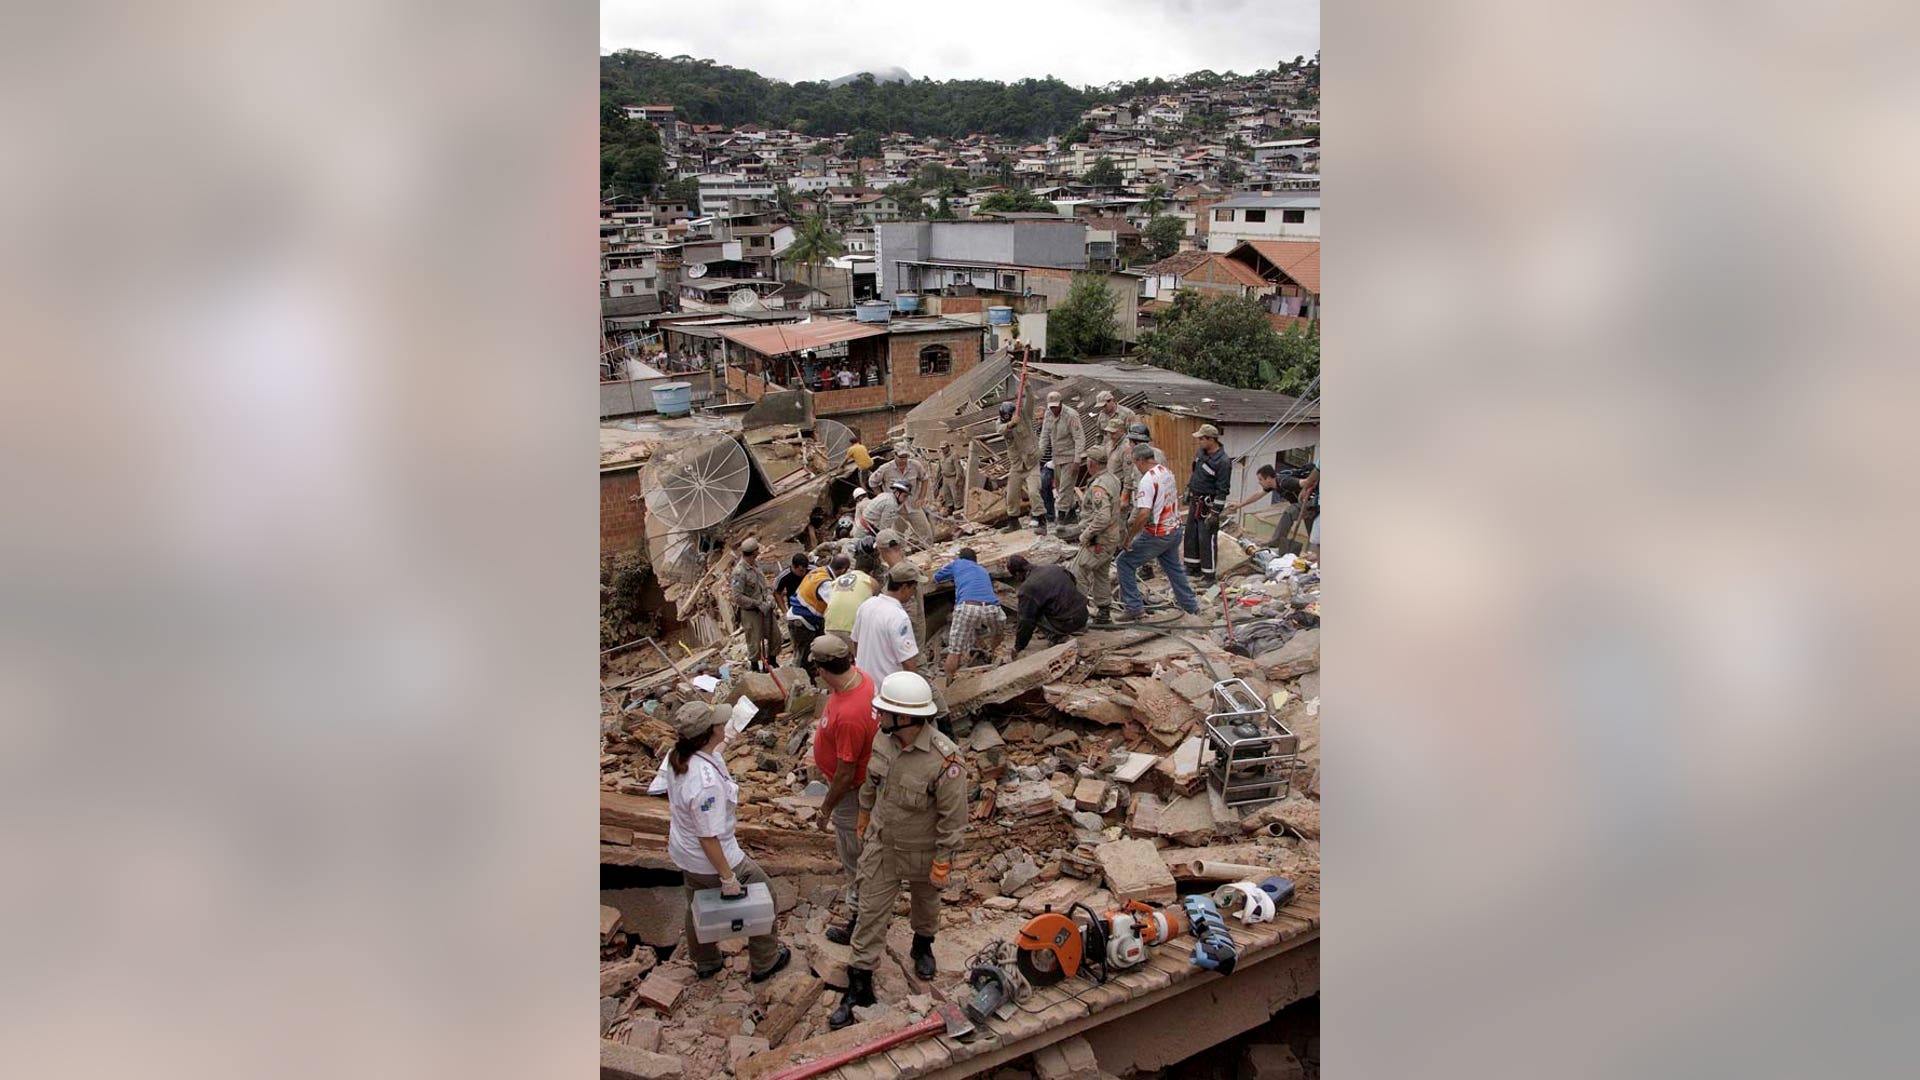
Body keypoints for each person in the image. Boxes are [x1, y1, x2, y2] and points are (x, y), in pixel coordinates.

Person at [829, 670, 968, 1029]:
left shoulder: (945, 760)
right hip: (883, 847)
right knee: (870, 910)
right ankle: (859, 985)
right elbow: (872, 784)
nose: (879, 716)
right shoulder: (883, 740)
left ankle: (923, 946)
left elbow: (953, 819)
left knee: (926, 903)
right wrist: (863, 814)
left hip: (923, 851)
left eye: (885, 712)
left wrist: (943, 860)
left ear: (904, 717)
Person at [664, 701, 792, 983]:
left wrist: (725, 740)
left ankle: (706, 961)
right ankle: (765, 961)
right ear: (707, 733)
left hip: (685, 853)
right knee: (765, 893)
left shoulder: (679, 755)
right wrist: (727, 876)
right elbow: (708, 837)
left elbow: (706, 760)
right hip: (710, 856)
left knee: (696, 903)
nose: (724, 725)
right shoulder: (705, 783)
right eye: (720, 725)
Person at [809, 635, 879, 946]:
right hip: (858, 784)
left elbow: (845, 772)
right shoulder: (862, 677)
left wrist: (826, 809)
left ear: (823, 670)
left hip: (850, 794)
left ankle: (859, 919)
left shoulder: (850, 716)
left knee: (853, 855)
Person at [1114, 443, 1202, 623]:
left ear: (1140, 460)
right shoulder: (1166, 472)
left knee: (1124, 562)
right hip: (1174, 529)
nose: (1135, 467)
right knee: (1174, 568)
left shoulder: (1147, 481)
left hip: (1158, 533)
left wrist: (1129, 538)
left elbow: (1144, 513)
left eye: (1134, 463)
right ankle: (1190, 606)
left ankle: (1133, 607)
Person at [934, 546, 1007, 679]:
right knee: (998, 634)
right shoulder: (982, 569)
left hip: (968, 607)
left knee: (954, 651)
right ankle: (993, 656)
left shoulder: (957, 564)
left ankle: (948, 682)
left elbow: (937, 577)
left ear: (961, 558)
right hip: (992, 608)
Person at [1073, 449, 1127, 622]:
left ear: (1091, 463)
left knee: (1078, 571)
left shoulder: (1099, 486)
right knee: (1101, 573)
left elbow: (1102, 517)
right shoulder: (1113, 479)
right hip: (1111, 537)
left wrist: (1087, 534)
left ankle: (1077, 612)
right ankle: (1103, 611)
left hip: (1099, 538)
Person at [849, 562, 925, 684]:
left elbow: (855, 641)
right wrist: (915, 687)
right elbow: (908, 660)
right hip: (888, 686)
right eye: (913, 588)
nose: (912, 594)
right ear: (904, 587)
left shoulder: (867, 605)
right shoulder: (899, 617)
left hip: (865, 683)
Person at [1006, 553, 1089, 653]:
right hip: (1083, 614)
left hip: (1066, 623)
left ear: (1018, 574)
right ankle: (1078, 627)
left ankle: (1057, 636)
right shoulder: (1054, 568)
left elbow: (1026, 621)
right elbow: (1073, 581)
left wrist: (1019, 646)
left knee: (1031, 611)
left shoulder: (1028, 588)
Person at [1184, 424, 1233, 582]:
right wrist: (1188, 489)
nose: (1199, 441)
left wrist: (1215, 513)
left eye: (1202, 439)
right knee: (1191, 535)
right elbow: (1196, 473)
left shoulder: (1223, 462)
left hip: (1208, 504)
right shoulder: (1201, 453)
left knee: (1206, 539)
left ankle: (1209, 576)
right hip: (1195, 500)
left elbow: (1222, 490)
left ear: (1211, 439)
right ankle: (1193, 568)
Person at [728, 538, 781, 672]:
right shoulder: (739, 572)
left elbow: (765, 584)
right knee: (754, 641)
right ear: (753, 552)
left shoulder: (756, 565)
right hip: (751, 612)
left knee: (775, 636)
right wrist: (757, 604)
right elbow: (738, 597)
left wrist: (769, 596)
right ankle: (755, 667)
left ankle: (772, 661)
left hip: (766, 608)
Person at [873, 530, 927, 655]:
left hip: (907, 630)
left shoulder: (903, 573)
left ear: (881, 551)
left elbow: (910, 610)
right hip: (909, 626)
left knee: (915, 662)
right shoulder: (905, 567)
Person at [1038, 391, 1086, 527]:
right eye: (1051, 407)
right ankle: (1071, 514)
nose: (1053, 409)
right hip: (1057, 457)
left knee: (1065, 488)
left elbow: (1079, 438)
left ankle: (1062, 518)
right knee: (1061, 488)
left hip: (1070, 457)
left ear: (1061, 403)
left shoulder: (1071, 415)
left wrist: (1077, 460)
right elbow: (1044, 436)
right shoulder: (1048, 414)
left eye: (1055, 406)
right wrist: (1038, 455)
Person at [777, 552, 825, 669]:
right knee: (801, 647)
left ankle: (819, 666)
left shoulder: (813, 570)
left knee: (820, 640)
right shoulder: (785, 576)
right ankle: (804, 670)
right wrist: (784, 611)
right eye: (800, 571)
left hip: (815, 611)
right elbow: (777, 592)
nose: (802, 574)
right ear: (793, 567)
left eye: (804, 571)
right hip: (798, 613)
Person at [996, 400, 1040, 527]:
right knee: (1011, 494)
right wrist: (1010, 424)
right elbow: (1000, 430)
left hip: (1030, 461)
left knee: (1034, 492)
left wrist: (1027, 386)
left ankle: (1039, 517)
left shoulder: (1023, 418)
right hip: (1016, 464)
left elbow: (1030, 400)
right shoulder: (1000, 423)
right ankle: (1014, 522)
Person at [821, 554, 877, 644]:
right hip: (851, 628)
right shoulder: (870, 581)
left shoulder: (839, 579)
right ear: (872, 572)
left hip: (829, 626)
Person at [937, 443, 964, 515]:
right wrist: (939, 478)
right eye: (941, 448)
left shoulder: (954, 455)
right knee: (947, 493)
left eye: (944, 448)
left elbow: (958, 468)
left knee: (956, 494)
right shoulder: (941, 455)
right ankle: (950, 507)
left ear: (948, 447)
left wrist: (958, 478)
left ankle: (958, 509)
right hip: (945, 477)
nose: (943, 450)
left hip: (952, 477)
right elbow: (940, 467)